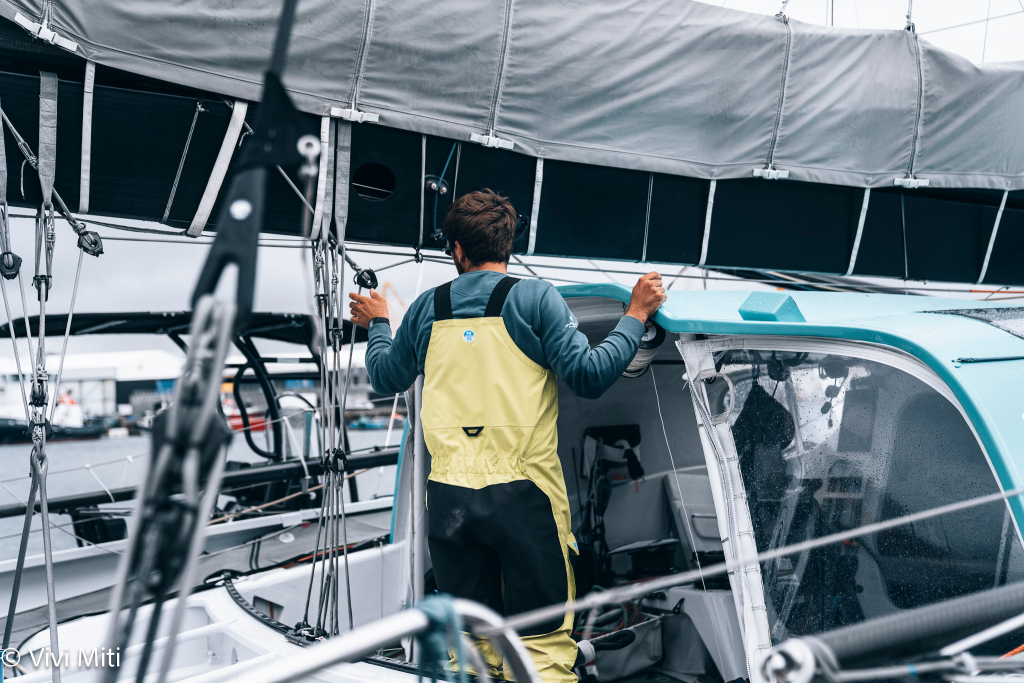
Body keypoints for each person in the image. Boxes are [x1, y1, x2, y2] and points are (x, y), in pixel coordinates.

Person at [349, 189, 666, 683]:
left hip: (450, 501)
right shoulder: (535, 298)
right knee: (540, 651)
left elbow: (385, 376)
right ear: (508, 244)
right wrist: (636, 315)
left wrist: (378, 324)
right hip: (527, 501)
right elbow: (589, 375)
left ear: (457, 249)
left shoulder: (427, 308)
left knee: (470, 647)